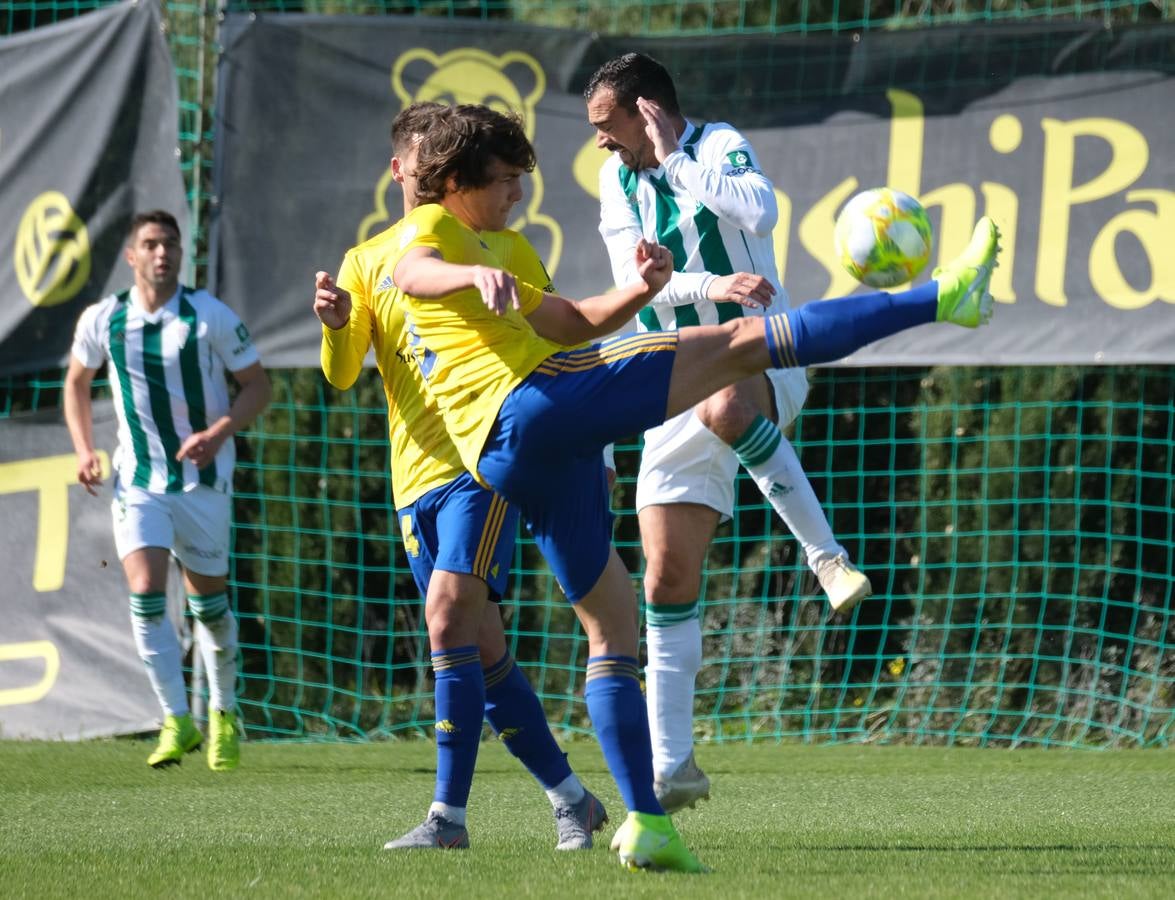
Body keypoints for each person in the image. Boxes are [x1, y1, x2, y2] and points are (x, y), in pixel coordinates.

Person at [388, 104, 999, 871]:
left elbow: (573, 320)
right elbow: (410, 271)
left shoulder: (502, 244)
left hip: (531, 455)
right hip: (530, 408)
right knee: (746, 343)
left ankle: (648, 822)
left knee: (614, 627)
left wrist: (641, 290)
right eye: (505, 181)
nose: (517, 193)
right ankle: (944, 299)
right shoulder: (433, 235)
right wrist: (465, 272)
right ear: (452, 183)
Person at [584, 51, 874, 816]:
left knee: (724, 405)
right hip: (670, 378)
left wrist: (678, 163)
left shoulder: (713, 147)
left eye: (608, 127)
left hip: (758, 357)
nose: (600, 145)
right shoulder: (614, 182)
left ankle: (827, 559)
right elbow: (635, 282)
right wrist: (709, 284)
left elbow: (759, 210)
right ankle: (673, 768)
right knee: (665, 579)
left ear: (648, 111)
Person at [313, 102, 609, 851]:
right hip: (412, 478)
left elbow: (557, 340)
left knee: (446, 618)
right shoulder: (367, 261)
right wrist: (337, 322)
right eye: (419, 158)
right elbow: (345, 373)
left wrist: (586, 441)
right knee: (477, 647)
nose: (428, 171)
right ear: (402, 170)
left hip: (480, 461)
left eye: (440, 159)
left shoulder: (505, 248)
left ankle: (447, 818)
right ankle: (572, 799)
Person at [64, 209, 272, 771]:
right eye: (151, 245)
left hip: (203, 481)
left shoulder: (209, 317)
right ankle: (176, 719)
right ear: (131, 256)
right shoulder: (104, 320)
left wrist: (219, 431)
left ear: (181, 255)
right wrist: (85, 449)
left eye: (170, 245)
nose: (162, 254)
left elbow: (258, 385)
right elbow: (76, 382)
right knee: (146, 591)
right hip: (138, 480)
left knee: (209, 609)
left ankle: (224, 714)